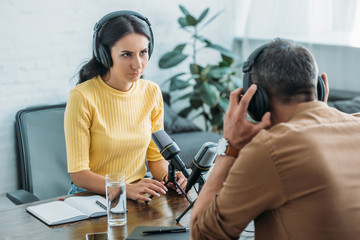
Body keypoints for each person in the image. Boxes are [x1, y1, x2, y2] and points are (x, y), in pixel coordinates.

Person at [190, 38, 360, 239]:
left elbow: (203, 235)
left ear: (255, 99)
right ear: (321, 86)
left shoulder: (272, 148)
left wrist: (230, 147)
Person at [64, 11, 187, 202]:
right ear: (105, 55)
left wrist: (169, 177)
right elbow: (79, 175)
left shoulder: (152, 92)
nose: (137, 64)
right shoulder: (82, 97)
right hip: (92, 198)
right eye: (126, 55)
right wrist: (124, 189)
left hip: (137, 193)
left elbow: (155, 159)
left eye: (143, 53)